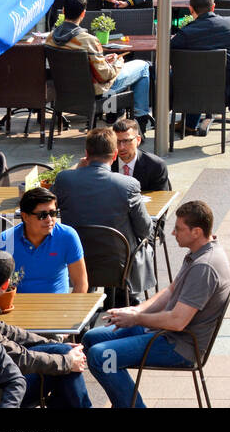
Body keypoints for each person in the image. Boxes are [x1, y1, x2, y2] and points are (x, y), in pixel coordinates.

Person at [82, 200, 230, 408]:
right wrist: (136, 309)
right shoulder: (199, 253)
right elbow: (170, 291)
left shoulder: (204, 267)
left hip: (180, 345)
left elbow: (178, 321)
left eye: (179, 229)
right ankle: (125, 401)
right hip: (165, 332)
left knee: (101, 356)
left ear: (196, 232)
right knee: (90, 338)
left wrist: (136, 319)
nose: (172, 233)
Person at [0, 250, 92, 408]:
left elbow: (9, 331)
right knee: (65, 367)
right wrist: (67, 361)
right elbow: (18, 358)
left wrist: (51, 343)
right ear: (6, 285)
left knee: (62, 356)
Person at [53, 127, 154, 302]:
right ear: (115, 155)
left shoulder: (64, 179)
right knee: (145, 244)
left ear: (86, 153)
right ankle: (128, 298)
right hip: (117, 265)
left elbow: (49, 207)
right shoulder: (128, 185)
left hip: (75, 261)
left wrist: (78, 169)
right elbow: (145, 230)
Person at [51, 0, 152, 128]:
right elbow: (105, 76)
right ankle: (140, 120)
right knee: (143, 66)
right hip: (95, 90)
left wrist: (102, 59)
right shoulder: (88, 40)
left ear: (63, 11)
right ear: (83, 14)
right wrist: (117, 63)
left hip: (65, 90)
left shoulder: (50, 38)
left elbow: (78, 63)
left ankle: (117, 113)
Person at [170, 0, 230, 134]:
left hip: (190, 91)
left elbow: (169, 50)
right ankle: (189, 123)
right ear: (213, 7)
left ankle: (183, 121)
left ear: (191, 9)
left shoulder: (186, 33)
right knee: (203, 72)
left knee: (187, 73)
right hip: (228, 89)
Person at [0, 187, 89, 294]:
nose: (49, 220)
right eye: (42, 215)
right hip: (17, 307)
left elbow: (81, 283)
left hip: (57, 307)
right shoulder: (4, 241)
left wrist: (70, 310)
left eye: (53, 213)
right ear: (25, 217)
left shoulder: (68, 236)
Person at [110, 117, 171, 191]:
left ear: (138, 140)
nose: (121, 147)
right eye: (117, 141)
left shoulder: (155, 166)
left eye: (126, 141)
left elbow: (161, 198)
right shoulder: (105, 163)